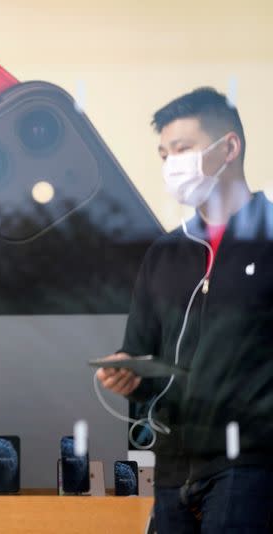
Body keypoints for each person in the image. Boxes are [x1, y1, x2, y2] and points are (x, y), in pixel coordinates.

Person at [96, 87, 273, 532]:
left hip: (251, 467)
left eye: (183, 149)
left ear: (229, 147)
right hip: (174, 470)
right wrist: (125, 373)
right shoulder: (164, 253)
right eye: (164, 154)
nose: (172, 164)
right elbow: (140, 353)